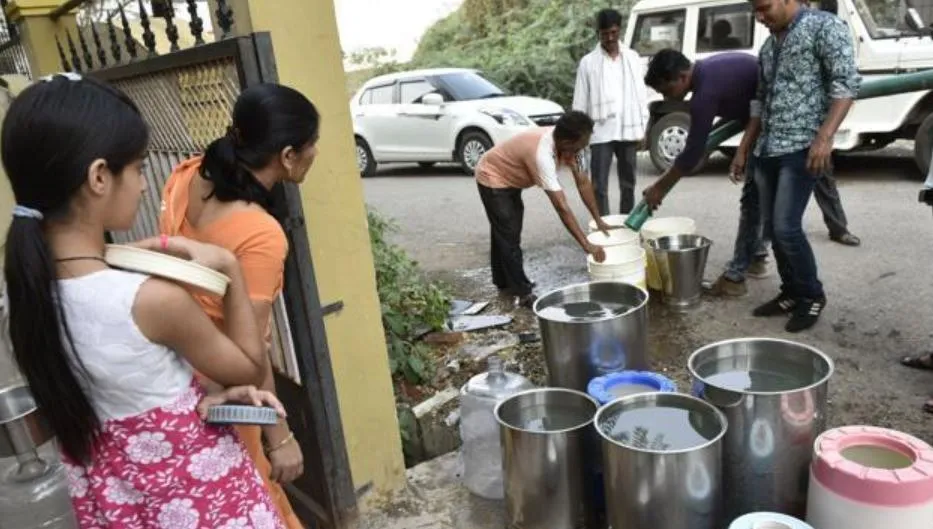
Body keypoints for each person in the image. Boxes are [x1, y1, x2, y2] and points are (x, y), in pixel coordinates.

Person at [3, 73, 287, 528]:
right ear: (99, 176)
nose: (140, 184)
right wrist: (229, 269)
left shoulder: (26, 293)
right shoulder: (148, 299)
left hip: (120, 501)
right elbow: (249, 366)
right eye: (136, 168)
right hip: (198, 502)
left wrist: (200, 398)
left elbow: (123, 389)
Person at [159, 83, 319, 529]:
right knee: (258, 501)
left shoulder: (187, 175)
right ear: (288, 156)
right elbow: (251, 353)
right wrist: (279, 437)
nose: (315, 152)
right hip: (227, 396)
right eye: (312, 144)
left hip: (176, 379)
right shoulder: (260, 235)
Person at [749, 0, 860, 332]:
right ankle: (791, 292)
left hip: (803, 147)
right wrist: (744, 150)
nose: (759, 17)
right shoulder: (769, 46)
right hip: (767, 148)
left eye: (764, 7)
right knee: (771, 228)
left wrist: (825, 137)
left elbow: (846, 84)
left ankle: (812, 295)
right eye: (754, 10)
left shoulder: (825, 27)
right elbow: (760, 98)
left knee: (786, 227)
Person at [642, 49, 769, 298]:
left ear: (681, 76)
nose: (668, 98)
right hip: (765, 122)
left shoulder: (704, 93)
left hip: (774, 129)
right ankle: (756, 256)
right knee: (760, 197)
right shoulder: (709, 70)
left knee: (753, 200)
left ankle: (735, 277)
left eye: (666, 91)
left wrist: (660, 187)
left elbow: (691, 155)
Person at [475, 111, 610, 307]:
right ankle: (523, 292)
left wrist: (598, 219)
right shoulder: (542, 154)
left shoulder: (574, 148)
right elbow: (561, 207)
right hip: (492, 175)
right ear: (565, 142)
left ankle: (502, 281)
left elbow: (583, 183)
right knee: (508, 232)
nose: (582, 150)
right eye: (579, 146)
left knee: (505, 230)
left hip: (513, 178)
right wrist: (586, 245)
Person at [572, 8, 650, 216]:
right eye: (605, 34)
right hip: (600, 132)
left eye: (614, 33)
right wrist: (579, 135)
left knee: (628, 184)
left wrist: (643, 127)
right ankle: (603, 225)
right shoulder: (588, 63)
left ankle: (626, 224)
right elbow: (580, 101)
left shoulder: (633, 58)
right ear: (598, 33)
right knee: (599, 186)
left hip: (628, 128)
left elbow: (641, 96)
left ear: (620, 31)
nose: (609, 38)